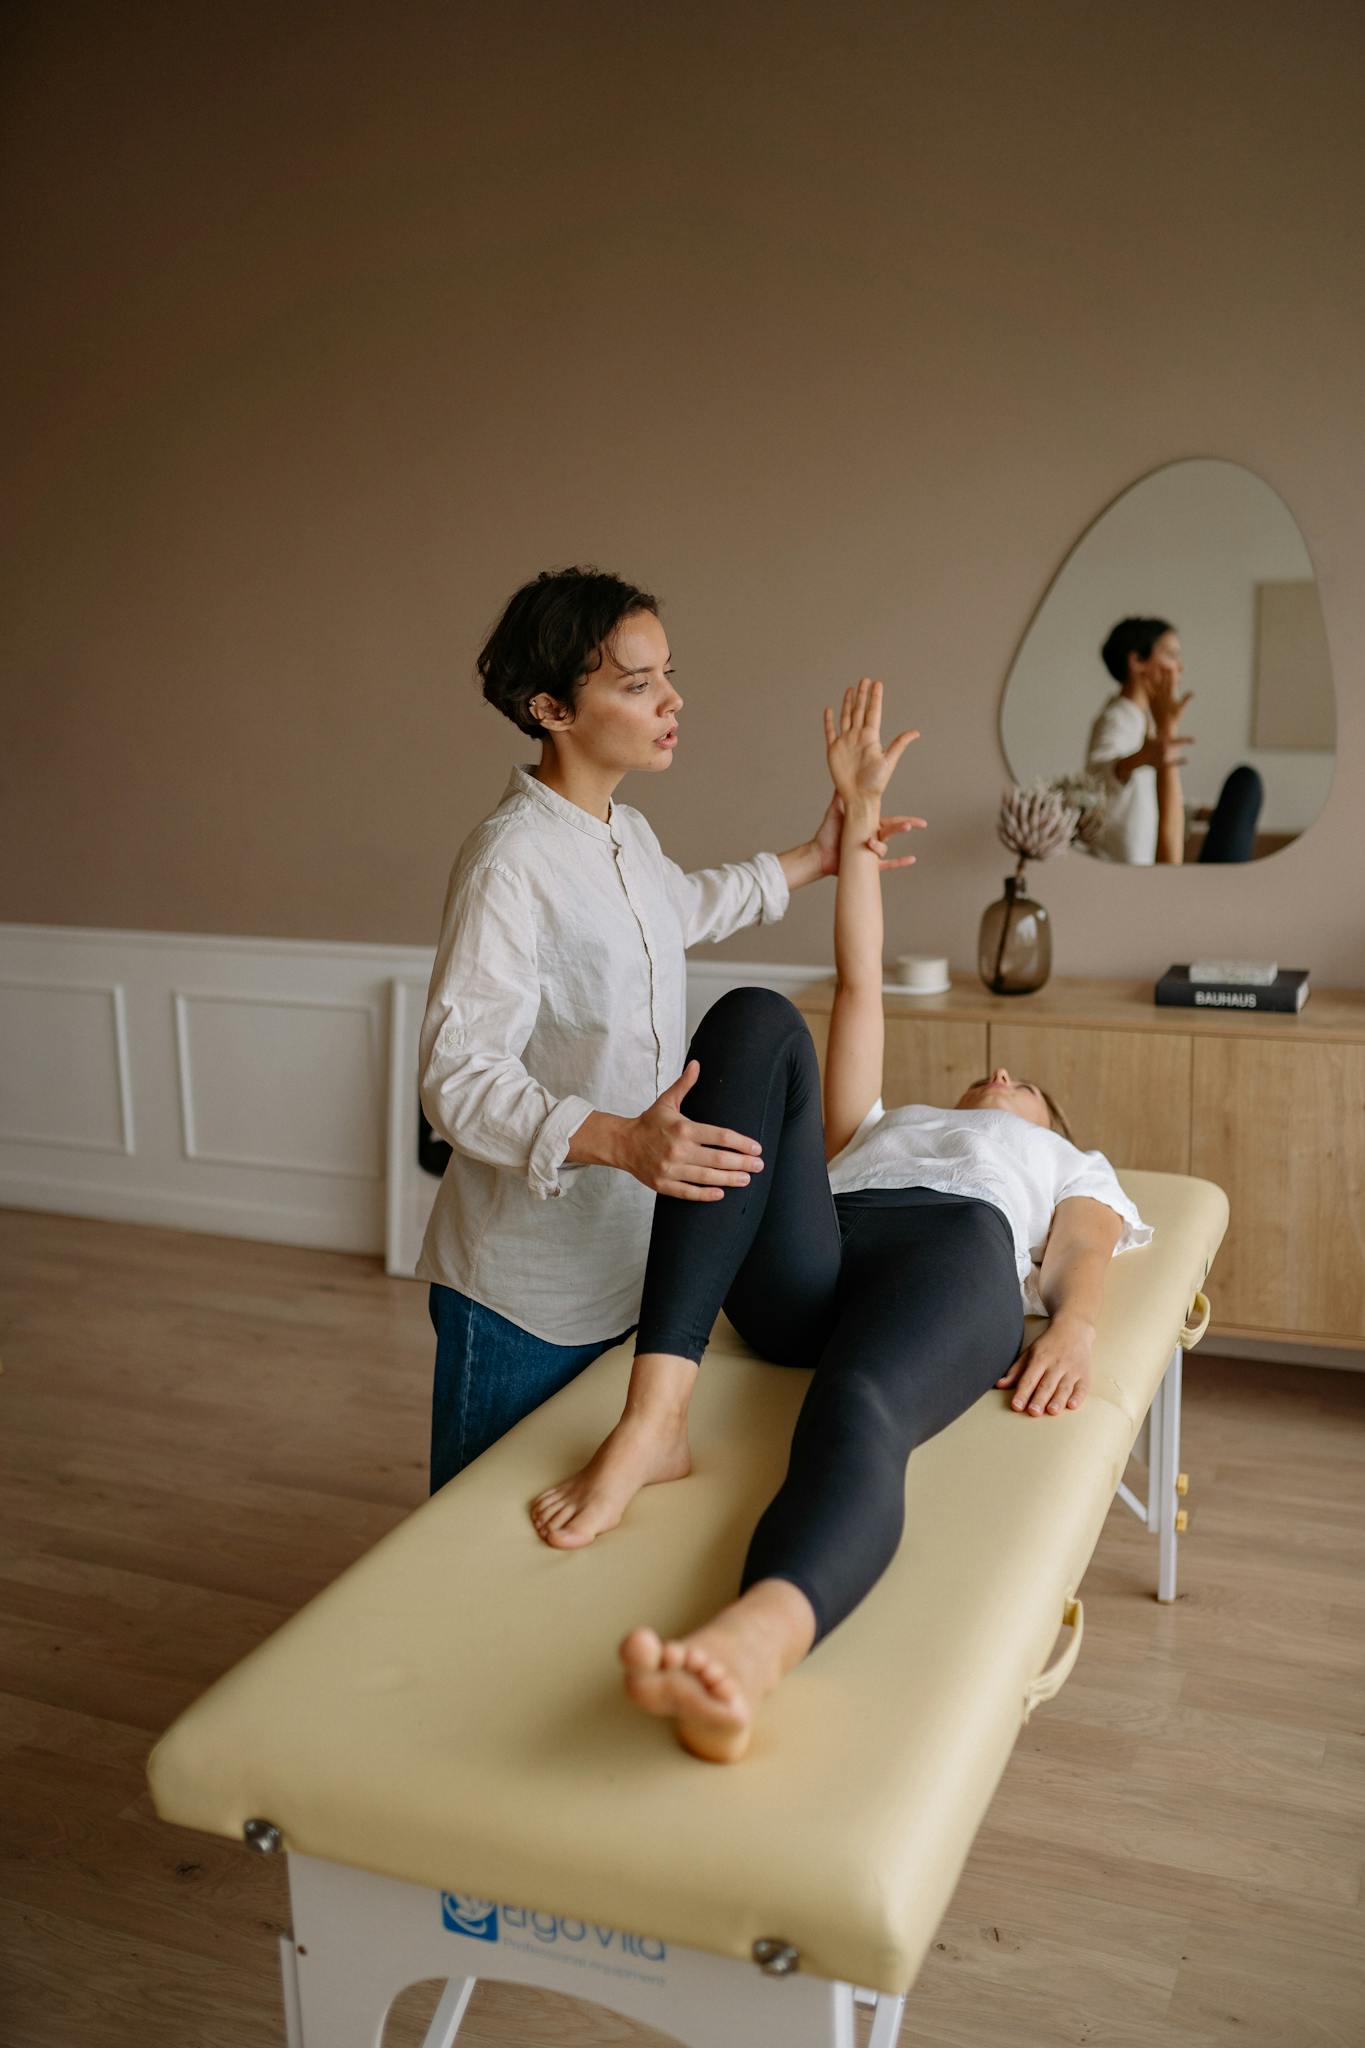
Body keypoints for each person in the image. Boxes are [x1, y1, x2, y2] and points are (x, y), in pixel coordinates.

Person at [530, 678, 1151, 1763]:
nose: (1001, 1074)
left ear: (1050, 1123)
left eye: (1025, 1084)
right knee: (759, 1019)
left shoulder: (1055, 1159)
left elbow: (1085, 1245)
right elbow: (859, 982)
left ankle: (753, 1643)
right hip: (820, 1251)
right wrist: (857, 820)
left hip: (950, 1260)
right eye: (990, 1076)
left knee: (858, 1405)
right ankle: (654, 1416)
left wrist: (1077, 1327)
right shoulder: (877, 1124)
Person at [418, 570, 920, 1490]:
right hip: (523, 1294)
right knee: (472, 1537)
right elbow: (456, 1079)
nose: (671, 700)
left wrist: (819, 853)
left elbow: (678, 907)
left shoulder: (626, 836)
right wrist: (620, 1140)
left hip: (629, 1264)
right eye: (636, 683)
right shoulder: (509, 863)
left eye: (666, 674)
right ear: (550, 708)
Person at [1085, 617, 1194, 863]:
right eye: (1171, 655)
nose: (1180, 667)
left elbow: (1144, 794)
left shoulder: (1146, 720)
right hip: (1119, 865)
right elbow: (1096, 781)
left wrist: (1198, 811)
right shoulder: (1117, 718)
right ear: (1136, 662)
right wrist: (1138, 759)